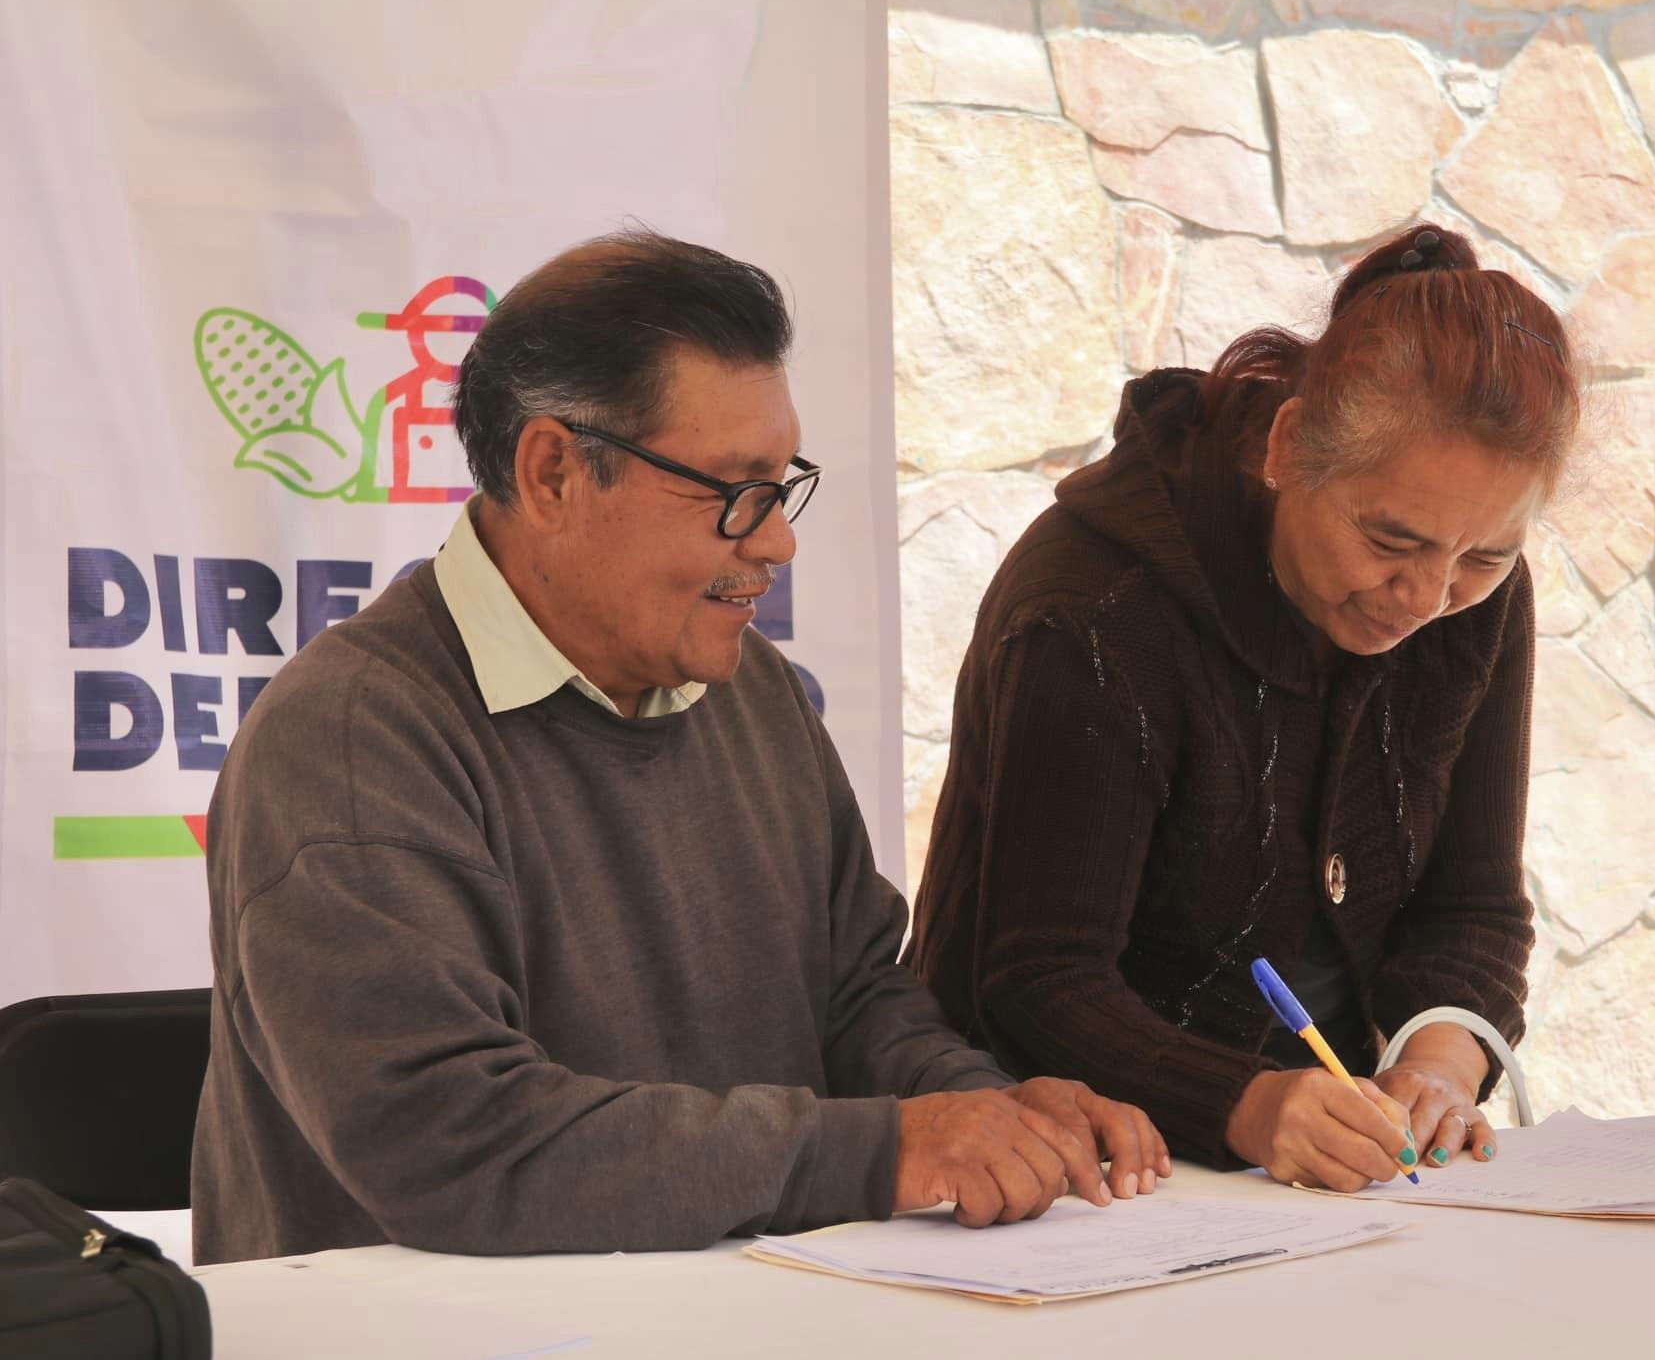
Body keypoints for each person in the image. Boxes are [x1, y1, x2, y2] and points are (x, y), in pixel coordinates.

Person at [190, 229, 1168, 1265]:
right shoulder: (350, 741)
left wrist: (982, 1111)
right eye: (733, 490)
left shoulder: (750, 691)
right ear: (555, 471)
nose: (776, 538)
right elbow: (456, 1149)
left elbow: (851, 998)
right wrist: (884, 1149)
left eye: (780, 483)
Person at [907, 224, 1580, 1194]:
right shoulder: (1094, 609)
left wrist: (1439, 1061)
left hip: (1331, 1177)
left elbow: (1469, 903)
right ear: (1287, 444)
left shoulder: (1472, 595)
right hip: (1069, 1175)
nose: (1426, 597)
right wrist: (1248, 1102)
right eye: (1390, 539)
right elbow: (1033, 979)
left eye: (1483, 556)